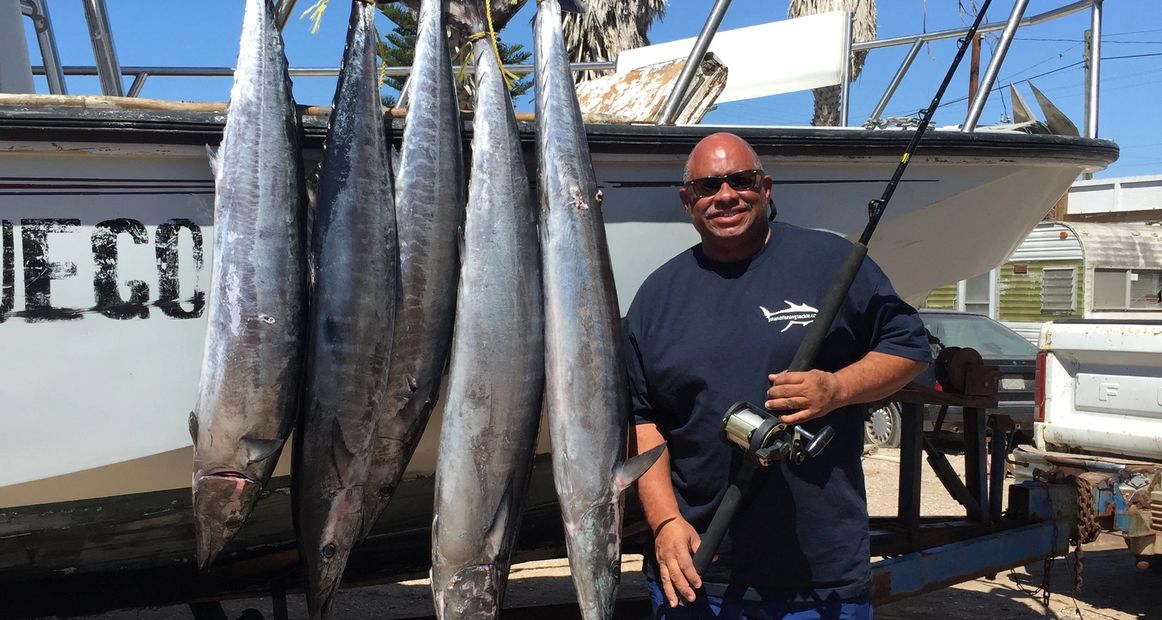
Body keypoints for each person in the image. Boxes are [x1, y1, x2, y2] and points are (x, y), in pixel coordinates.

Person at [625, 132, 932, 619]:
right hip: (699, 573)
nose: (725, 195)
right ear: (688, 201)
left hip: (819, 575)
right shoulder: (656, 297)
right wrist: (664, 523)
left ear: (766, 188)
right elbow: (644, 422)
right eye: (707, 187)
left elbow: (910, 350)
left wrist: (837, 388)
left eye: (740, 181)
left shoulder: (831, 261)